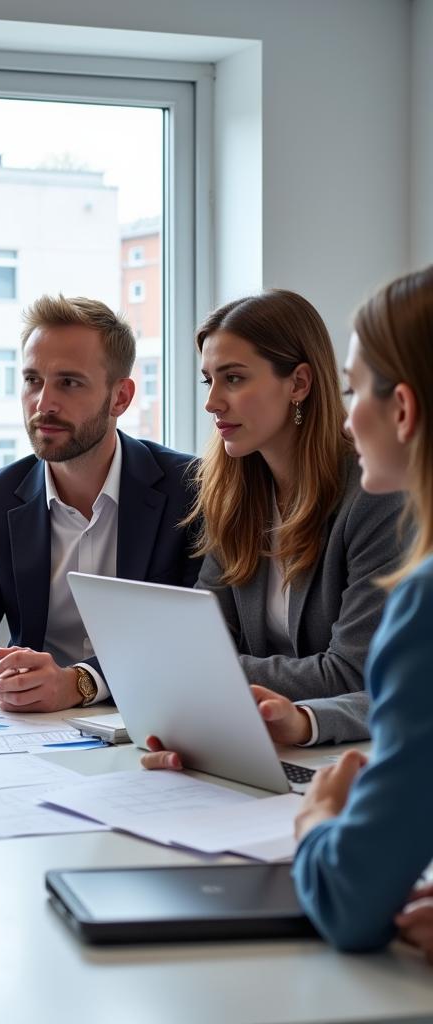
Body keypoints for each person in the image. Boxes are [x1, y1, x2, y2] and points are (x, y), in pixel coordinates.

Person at [141, 290, 402, 769]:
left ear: (299, 382)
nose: (212, 402)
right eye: (208, 381)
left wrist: (202, 672)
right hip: (260, 746)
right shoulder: (232, 494)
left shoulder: (374, 496)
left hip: (348, 753)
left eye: (234, 379)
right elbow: (204, 636)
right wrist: (193, 674)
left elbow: (353, 670)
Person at [0, 294, 200, 713]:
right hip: (33, 734)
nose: (43, 404)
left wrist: (79, 684)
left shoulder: (188, 490)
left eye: (69, 383)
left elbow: (194, 637)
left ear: (121, 397)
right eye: (33, 380)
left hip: (155, 719)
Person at [293, 265, 433, 954]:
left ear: (402, 410)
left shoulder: (426, 599)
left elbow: (349, 898)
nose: (346, 418)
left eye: (352, 391)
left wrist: (319, 818)